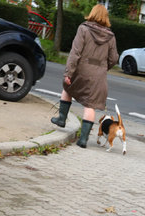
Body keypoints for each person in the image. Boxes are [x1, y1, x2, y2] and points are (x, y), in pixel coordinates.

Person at [50, 4, 119, 148]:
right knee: (90, 105)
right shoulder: (111, 36)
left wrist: (69, 72)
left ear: (92, 14)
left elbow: (75, 53)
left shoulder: (84, 29)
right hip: (98, 75)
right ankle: (83, 140)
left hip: (82, 70)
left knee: (67, 88)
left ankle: (62, 119)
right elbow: (113, 59)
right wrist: (103, 68)